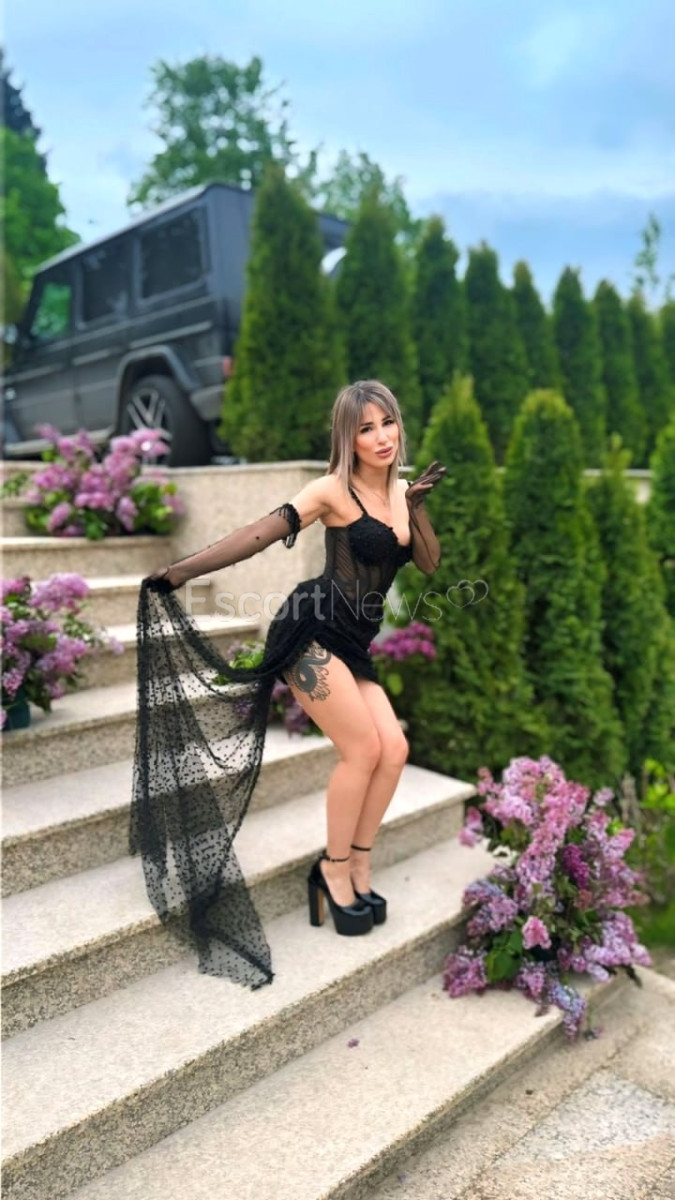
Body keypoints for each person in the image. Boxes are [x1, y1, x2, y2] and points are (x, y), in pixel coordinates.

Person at [132, 379, 446, 991]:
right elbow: (258, 534)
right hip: (310, 632)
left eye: (387, 423)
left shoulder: (401, 489)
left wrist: (415, 506)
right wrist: (182, 572)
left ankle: (358, 864)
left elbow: (429, 562)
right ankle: (333, 870)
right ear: (348, 438)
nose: (381, 437)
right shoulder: (331, 490)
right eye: (366, 428)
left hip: (353, 643)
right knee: (362, 750)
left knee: (395, 749)